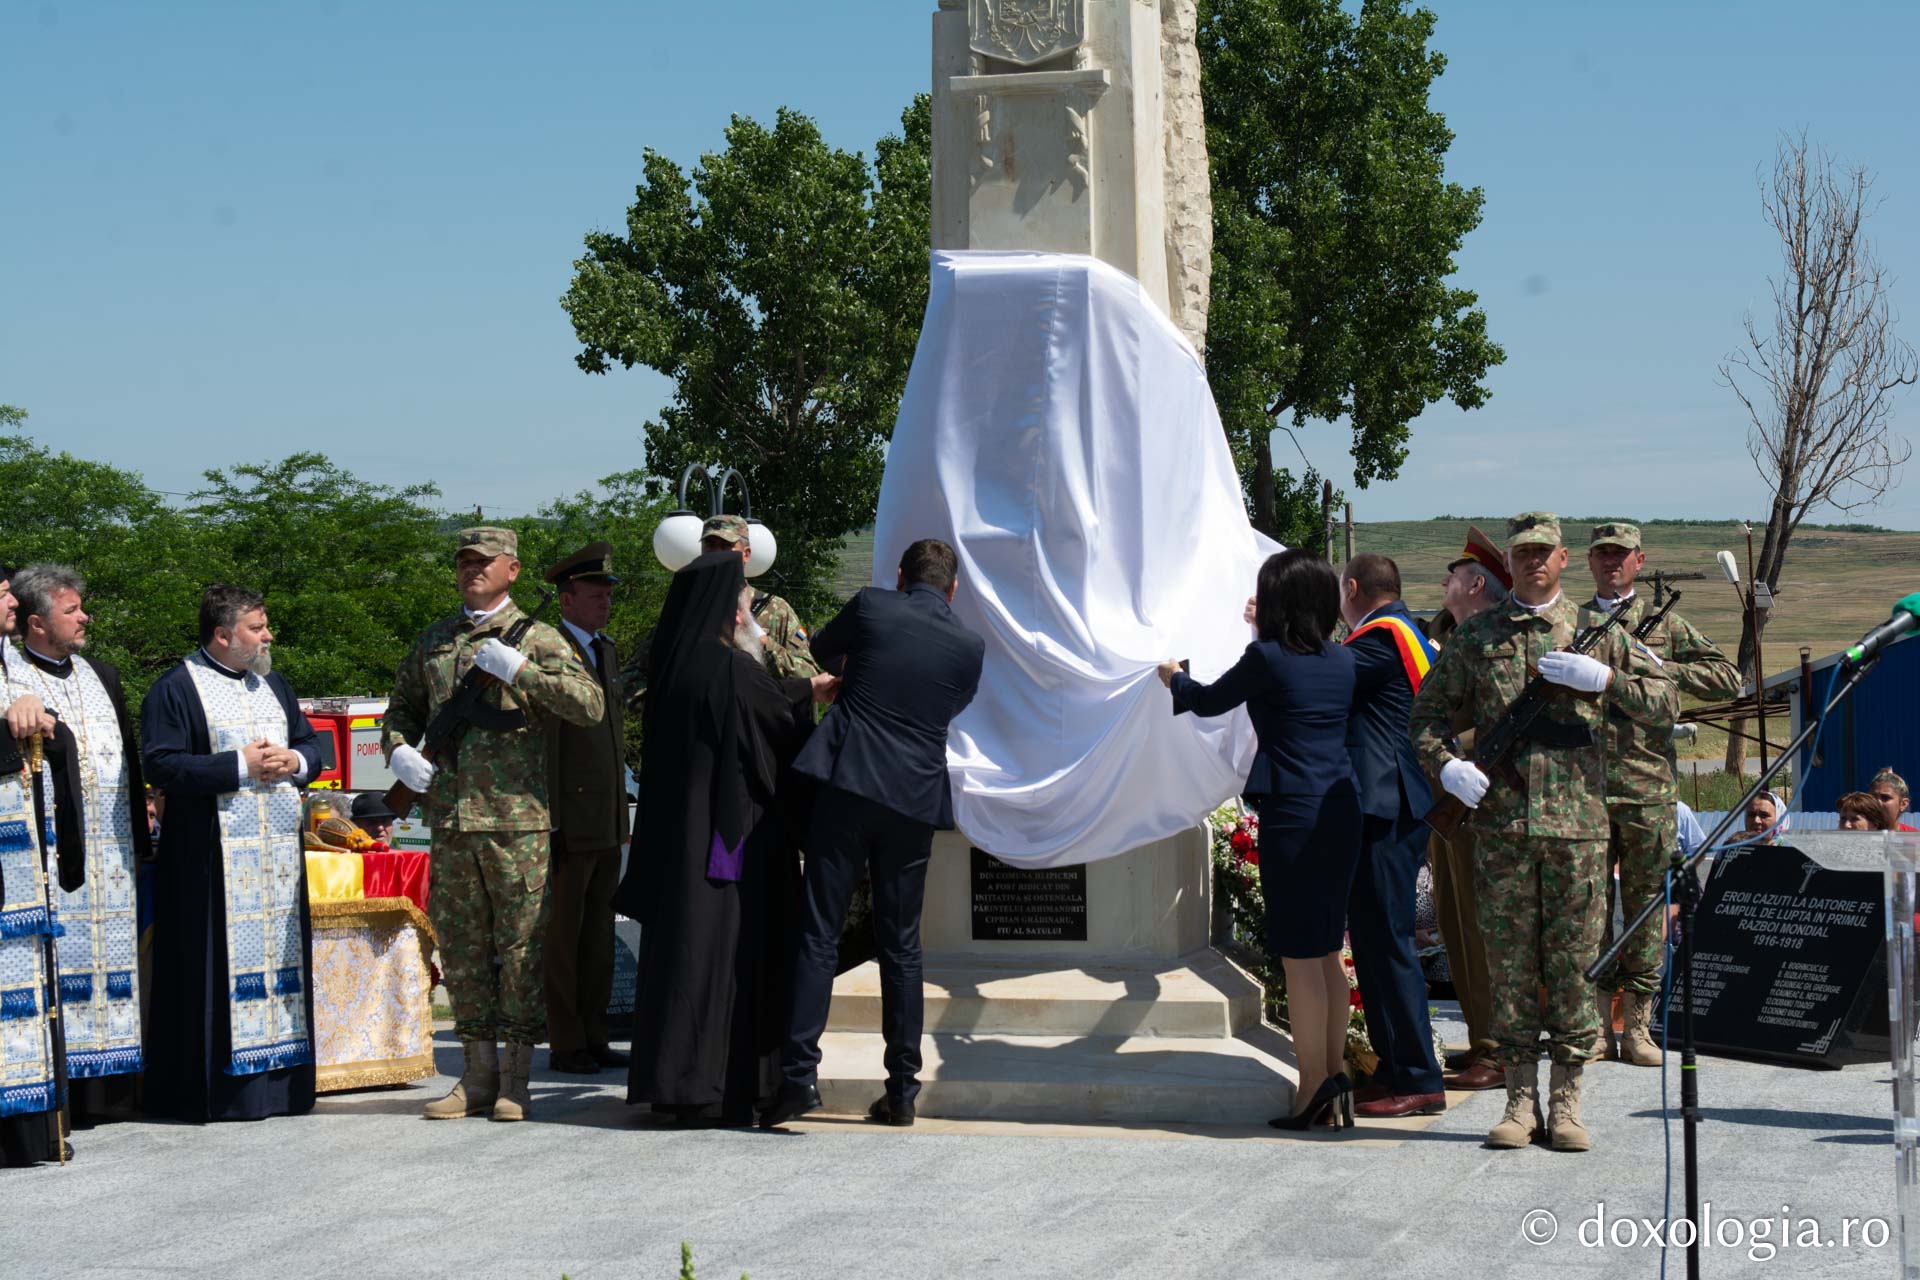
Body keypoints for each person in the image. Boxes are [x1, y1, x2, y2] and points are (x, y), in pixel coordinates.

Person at [1410, 512, 1673, 1153]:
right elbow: (1425, 716)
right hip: (1502, 831)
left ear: (1562, 560)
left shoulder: (1596, 631)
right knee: (1510, 968)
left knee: (1576, 968)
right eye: (1522, 553)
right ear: (1512, 561)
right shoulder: (1478, 638)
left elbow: (1665, 701)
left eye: (1545, 553)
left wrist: (1608, 680)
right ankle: (1520, 1102)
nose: (1534, 562)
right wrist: (1447, 768)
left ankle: (1568, 1103)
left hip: (1580, 832)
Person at [382, 527, 605, 1123]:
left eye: (483, 563)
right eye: (463, 563)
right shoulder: (435, 639)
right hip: (451, 823)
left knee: (523, 948)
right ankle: (474, 1077)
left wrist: (522, 672)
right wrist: (398, 747)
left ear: (512, 569)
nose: (470, 571)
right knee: (463, 950)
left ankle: (516, 1080)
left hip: (515, 823)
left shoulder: (538, 638)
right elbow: (401, 706)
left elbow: (589, 705)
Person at [761, 538, 984, 1131]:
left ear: (900, 576)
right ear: (952, 589)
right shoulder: (970, 644)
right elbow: (953, 704)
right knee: (902, 945)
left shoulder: (871, 605)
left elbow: (823, 652)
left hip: (848, 782)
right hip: (913, 799)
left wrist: (859, 680)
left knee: (819, 933)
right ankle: (903, 1089)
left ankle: (797, 1077)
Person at [617, 552, 833, 1124]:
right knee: (727, 957)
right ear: (731, 614)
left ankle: (674, 1084)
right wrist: (811, 694)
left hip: (677, 844)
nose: (754, 622)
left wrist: (798, 689)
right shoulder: (735, 668)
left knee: (684, 960)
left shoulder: (673, 669)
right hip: (730, 844)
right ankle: (722, 1087)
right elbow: (777, 730)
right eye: (746, 608)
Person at [1163, 548, 1362, 1132]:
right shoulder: (1343, 662)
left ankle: (1310, 1088)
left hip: (1295, 814)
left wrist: (1172, 675)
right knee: (1327, 950)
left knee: (1299, 957)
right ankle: (1333, 1072)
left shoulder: (1266, 658)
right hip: (1340, 807)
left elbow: (1204, 702)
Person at [141, 585, 325, 1123]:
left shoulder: (274, 684)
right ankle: (219, 1096)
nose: (268, 636)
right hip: (210, 865)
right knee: (212, 976)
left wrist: (293, 760)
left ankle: (282, 1089)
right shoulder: (176, 688)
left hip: (278, 864)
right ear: (222, 635)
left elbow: (315, 746)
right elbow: (161, 765)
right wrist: (239, 765)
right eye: (257, 627)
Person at [1583, 522, 1740, 1067]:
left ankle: (1640, 1029)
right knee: (1591, 909)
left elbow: (1729, 678)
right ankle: (1600, 1026)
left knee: (1649, 908)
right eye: (1602, 554)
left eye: (1621, 555)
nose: (1611, 563)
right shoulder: (1573, 622)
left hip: (1650, 788)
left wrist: (1662, 667)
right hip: (1586, 789)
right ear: (1589, 562)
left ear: (1639, 561)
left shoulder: (1667, 624)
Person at [11, 565, 155, 1126]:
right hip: (52, 852)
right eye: (71, 610)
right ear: (37, 623)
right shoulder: (10, 674)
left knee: (114, 969)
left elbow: (129, 757)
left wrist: (141, 841)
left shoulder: (103, 673)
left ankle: (115, 1094)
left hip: (113, 850)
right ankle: (62, 1092)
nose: (84, 617)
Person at [1336, 553, 1445, 1118]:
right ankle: (1394, 1065)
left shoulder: (1381, 639)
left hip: (1385, 804)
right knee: (1376, 940)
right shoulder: (1406, 632)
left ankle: (1420, 1076)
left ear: (1351, 588)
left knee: (1390, 940)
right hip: (1386, 803)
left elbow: (1325, 680)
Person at [0, 566, 82, 1166]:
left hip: (21, 860)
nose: (10, 599)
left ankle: (29, 1131)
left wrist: (45, 726)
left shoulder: (8, 661)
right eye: (2, 592)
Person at [541, 541, 631, 1075]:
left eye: (607, 595)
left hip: (606, 818)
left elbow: (613, 742)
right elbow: (550, 743)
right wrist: (551, 818)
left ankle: (595, 1035)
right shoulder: (551, 652)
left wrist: (621, 816)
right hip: (569, 820)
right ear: (566, 599)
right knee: (564, 939)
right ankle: (567, 1041)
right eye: (595, 595)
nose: (605, 603)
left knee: (598, 935)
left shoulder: (605, 650)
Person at [1428, 526, 1510, 1092]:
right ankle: (1481, 1035)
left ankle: (1499, 1046)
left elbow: (1506, 720)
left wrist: (1460, 752)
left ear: (1476, 583)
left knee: (1484, 928)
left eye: (1453, 574)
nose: (1444, 583)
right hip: (1445, 802)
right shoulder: (1451, 639)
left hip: (1481, 803)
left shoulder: (1496, 643)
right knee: (1455, 923)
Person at [699, 515, 820, 681]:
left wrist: (760, 641)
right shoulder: (687, 606)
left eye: (726, 546)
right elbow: (652, 662)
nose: (717, 554)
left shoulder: (776, 610)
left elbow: (809, 675)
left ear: (746, 554)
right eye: (710, 545)